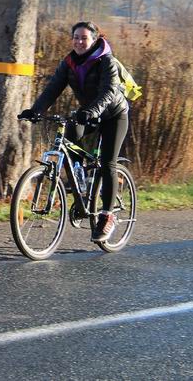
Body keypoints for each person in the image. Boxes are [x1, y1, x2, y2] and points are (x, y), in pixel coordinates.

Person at [18, 21, 129, 242]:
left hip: (113, 115)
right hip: (87, 113)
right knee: (69, 142)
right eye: (75, 37)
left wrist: (91, 111)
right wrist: (35, 110)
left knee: (108, 163)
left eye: (84, 38)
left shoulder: (107, 61)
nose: (79, 41)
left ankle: (107, 216)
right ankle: (84, 192)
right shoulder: (69, 62)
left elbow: (108, 92)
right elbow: (53, 88)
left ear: (94, 40)